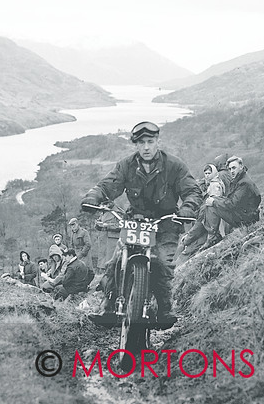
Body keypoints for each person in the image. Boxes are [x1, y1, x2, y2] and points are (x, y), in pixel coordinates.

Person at [81, 120, 202, 326]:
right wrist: (94, 196)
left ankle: (165, 308)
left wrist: (188, 208)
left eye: (150, 141)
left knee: (163, 262)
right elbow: (107, 185)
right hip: (135, 221)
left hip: (165, 223)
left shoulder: (174, 165)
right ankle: (109, 307)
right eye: (142, 142)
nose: (146, 147)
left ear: (157, 141)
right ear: (136, 145)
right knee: (116, 261)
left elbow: (192, 190)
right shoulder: (126, 166)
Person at [198, 156, 261, 250]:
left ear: (241, 166)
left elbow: (232, 204)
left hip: (246, 218)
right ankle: (214, 235)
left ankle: (213, 237)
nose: (231, 171)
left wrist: (215, 202)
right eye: (230, 168)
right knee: (212, 200)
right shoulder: (239, 180)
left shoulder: (244, 183)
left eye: (234, 168)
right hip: (245, 214)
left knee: (212, 205)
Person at [180, 163, 227, 255]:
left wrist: (187, 238)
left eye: (209, 173)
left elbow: (212, 204)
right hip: (207, 220)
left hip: (210, 221)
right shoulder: (212, 184)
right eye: (205, 173)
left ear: (213, 173)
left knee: (187, 246)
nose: (207, 175)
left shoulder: (215, 186)